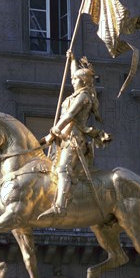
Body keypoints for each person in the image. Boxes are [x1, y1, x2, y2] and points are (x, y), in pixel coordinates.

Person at [38, 51, 111, 219]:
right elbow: (73, 73)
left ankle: (59, 207)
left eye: (76, 79)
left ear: (84, 81)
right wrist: (72, 60)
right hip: (63, 138)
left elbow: (70, 115)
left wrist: (53, 131)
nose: (72, 80)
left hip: (74, 139)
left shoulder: (84, 96)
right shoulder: (76, 93)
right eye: (72, 79)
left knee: (64, 170)